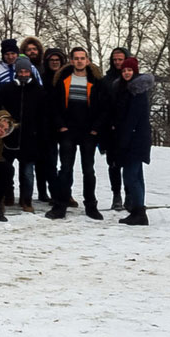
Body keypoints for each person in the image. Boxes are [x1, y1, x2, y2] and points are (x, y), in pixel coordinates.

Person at [46, 48, 106, 221]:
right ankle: (60, 205)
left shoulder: (96, 81)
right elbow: (54, 106)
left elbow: (104, 107)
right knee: (65, 169)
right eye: (76, 58)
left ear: (87, 60)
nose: (79, 61)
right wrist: (61, 126)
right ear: (71, 61)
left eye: (82, 58)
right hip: (68, 132)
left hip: (88, 132)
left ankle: (91, 206)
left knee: (88, 170)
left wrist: (96, 128)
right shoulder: (63, 79)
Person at [0, 57, 43, 212]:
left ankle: (26, 200)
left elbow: (44, 116)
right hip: (9, 138)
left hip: (30, 139)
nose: (23, 74)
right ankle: (6, 196)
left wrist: (38, 133)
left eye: (26, 71)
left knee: (28, 174)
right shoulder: (7, 89)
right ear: (16, 72)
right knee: (5, 171)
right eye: (20, 71)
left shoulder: (38, 91)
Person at [112, 57, 152, 226]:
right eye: (124, 70)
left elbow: (132, 119)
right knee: (137, 175)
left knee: (130, 176)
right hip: (136, 139)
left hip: (134, 140)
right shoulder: (125, 89)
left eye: (129, 70)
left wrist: (123, 140)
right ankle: (139, 209)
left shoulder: (136, 92)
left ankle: (138, 211)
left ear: (134, 72)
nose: (127, 73)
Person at [100, 46, 131, 210]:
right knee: (113, 165)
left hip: (127, 128)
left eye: (121, 59)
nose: (118, 63)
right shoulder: (107, 80)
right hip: (110, 129)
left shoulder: (132, 79)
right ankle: (116, 195)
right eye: (115, 60)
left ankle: (130, 195)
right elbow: (103, 105)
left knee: (129, 164)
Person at [37, 48, 67, 202]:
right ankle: (54, 193)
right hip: (47, 126)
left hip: (66, 125)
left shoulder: (67, 78)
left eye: (57, 60)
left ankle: (65, 193)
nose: (55, 63)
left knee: (66, 164)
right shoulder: (42, 79)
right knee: (50, 162)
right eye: (51, 60)